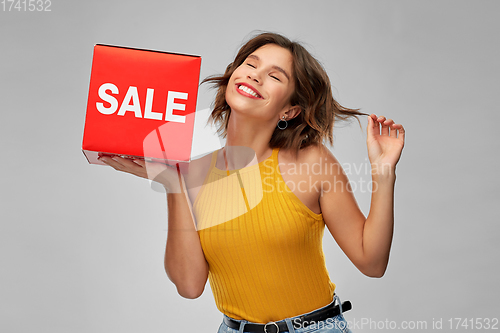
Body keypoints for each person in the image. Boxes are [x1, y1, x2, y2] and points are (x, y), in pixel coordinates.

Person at [99, 32, 405, 333]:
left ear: (290, 109)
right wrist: (172, 183)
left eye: (275, 76)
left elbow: (372, 262)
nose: (255, 76)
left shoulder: (310, 161)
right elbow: (189, 286)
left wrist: (383, 173)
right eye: (251, 64)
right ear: (234, 74)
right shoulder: (193, 172)